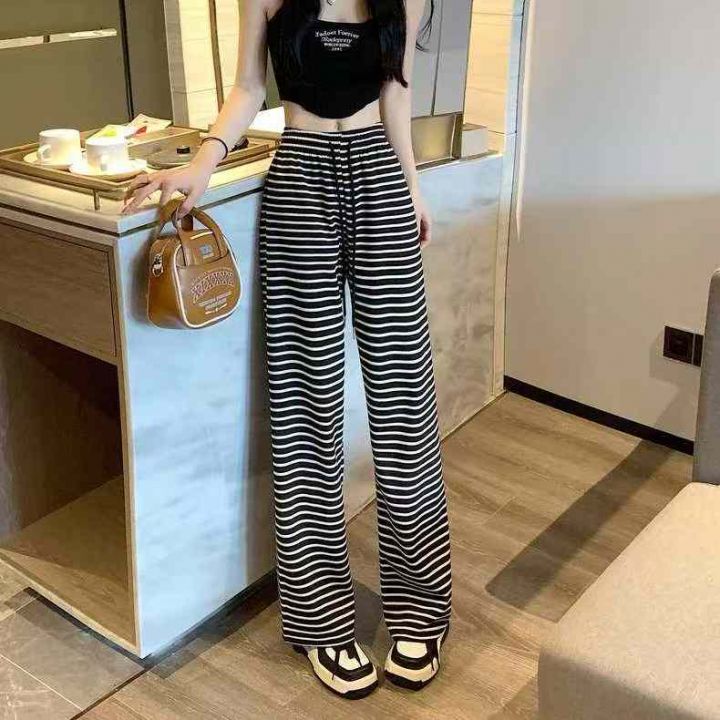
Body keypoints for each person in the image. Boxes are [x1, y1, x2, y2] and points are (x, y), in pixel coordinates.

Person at [123, 0, 452, 700]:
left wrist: (413, 188)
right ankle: (321, 619)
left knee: (404, 401)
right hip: (299, 176)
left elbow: (397, 96)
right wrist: (202, 164)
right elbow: (248, 88)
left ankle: (422, 607)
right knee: (306, 405)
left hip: (380, 177)